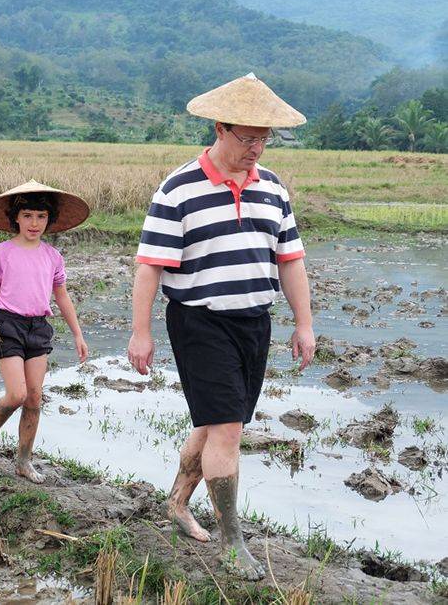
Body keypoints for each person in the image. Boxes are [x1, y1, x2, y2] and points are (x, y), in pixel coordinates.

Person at [127, 74, 316, 580]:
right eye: (247, 137)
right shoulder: (178, 189)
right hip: (199, 321)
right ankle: (233, 542)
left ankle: (177, 504)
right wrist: (140, 332)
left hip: (254, 322)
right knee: (228, 428)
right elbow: (150, 266)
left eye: (264, 138)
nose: (256, 148)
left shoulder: (273, 188)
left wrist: (305, 324)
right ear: (220, 128)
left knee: (215, 425)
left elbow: (290, 261)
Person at [0, 180, 90, 483]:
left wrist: (77, 333)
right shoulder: (3, 251)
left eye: (41, 216)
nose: (34, 223)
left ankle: (24, 461)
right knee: (17, 394)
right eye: (27, 216)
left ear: (48, 220)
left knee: (34, 398)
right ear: (16, 218)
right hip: (6, 324)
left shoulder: (53, 256)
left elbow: (61, 295)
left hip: (38, 327)